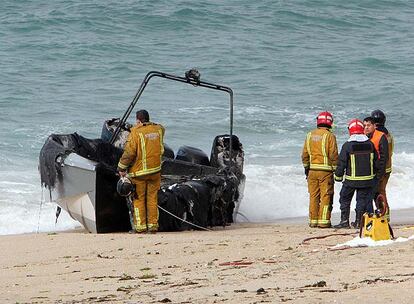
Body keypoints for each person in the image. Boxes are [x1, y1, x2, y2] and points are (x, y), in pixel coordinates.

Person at [117, 110, 165, 233]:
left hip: (139, 173)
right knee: (152, 199)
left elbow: (129, 153)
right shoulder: (159, 129)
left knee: (139, 200)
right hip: (155, 171)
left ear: (138, 120)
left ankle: (140, 228)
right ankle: (153, 226)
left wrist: (121, 168)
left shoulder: (136, 132)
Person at [334, 119, 378, 229]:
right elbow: (376, 161)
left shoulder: (347, 146)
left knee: (344, 198)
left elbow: (342, 163)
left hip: (351, 180)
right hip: (367, 180)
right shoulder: (370, 144)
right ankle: (359, 222)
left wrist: (338, 176)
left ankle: (344, 221)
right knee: (361, 201)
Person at [302, 111, 338, 228]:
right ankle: (324, 222)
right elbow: (333, 154)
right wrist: (336, 169)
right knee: (326, 196)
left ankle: (313, 220)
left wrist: (307, 168)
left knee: (313, 196)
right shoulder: (330, 136)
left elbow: (304, 154)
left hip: (312, 171)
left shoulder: (309, 135)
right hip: (325, 172)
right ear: (330, 123)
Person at [370, 109, 393, 221]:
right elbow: (390, 152)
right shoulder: (389, 135)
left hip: (381, 168)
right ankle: (384, 214)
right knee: (381, 190)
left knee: (380, 191)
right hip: (388, 167)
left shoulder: (378, 135)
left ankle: (384, 215)